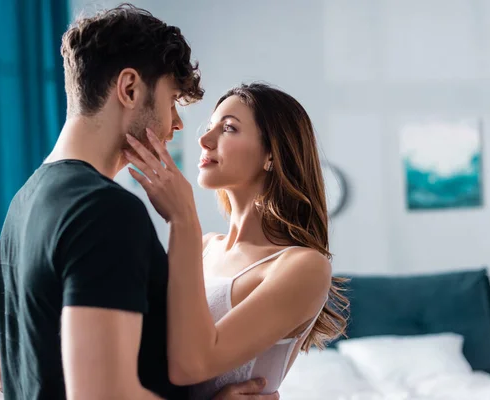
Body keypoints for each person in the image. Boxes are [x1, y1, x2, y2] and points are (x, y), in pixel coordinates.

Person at [0, 5, 279, 400]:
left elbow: (7, 374)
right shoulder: (105, 211)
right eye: (172, 100)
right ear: (129, 88)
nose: (177, 124)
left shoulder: (22, 204)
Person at [126, 82, 350, 399]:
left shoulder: (305, 267)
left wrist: (183, 220)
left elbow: (189, 366)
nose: (204, 140)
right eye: (210, 127)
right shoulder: (203, 248)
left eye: (229, 128)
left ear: (271, 154)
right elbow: (145, 353)